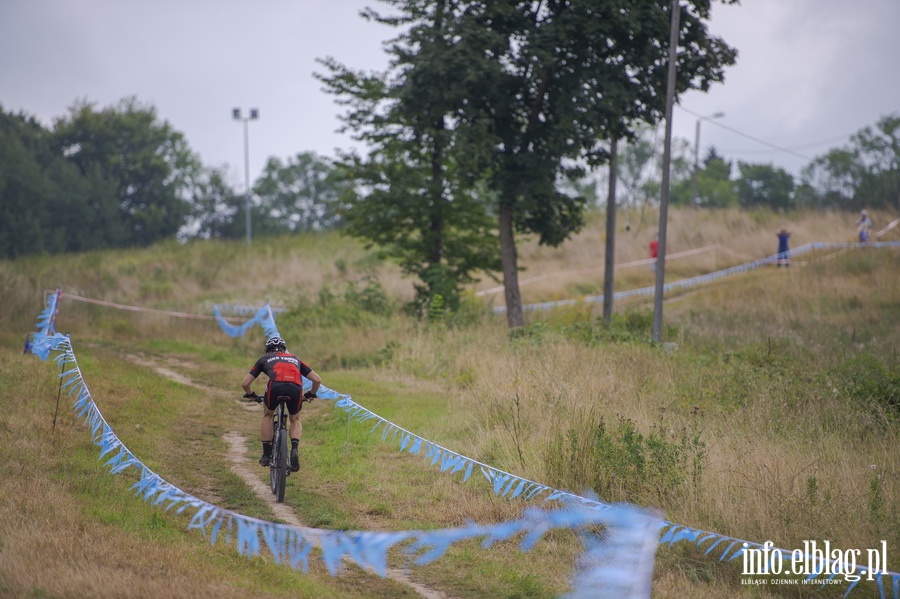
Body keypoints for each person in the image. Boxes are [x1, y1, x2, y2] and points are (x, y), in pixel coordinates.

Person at [241, 335, 321, 472]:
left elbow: (245, 383)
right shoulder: (295, 358)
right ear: (284, 350)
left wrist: (251, 394)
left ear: (268, 350)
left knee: (268, 414)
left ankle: (266, 454)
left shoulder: (264, 359)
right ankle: (294, 448)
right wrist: (311, 394)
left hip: (275, 386)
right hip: (295, 388)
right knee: (295, 419)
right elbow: (317, 380)